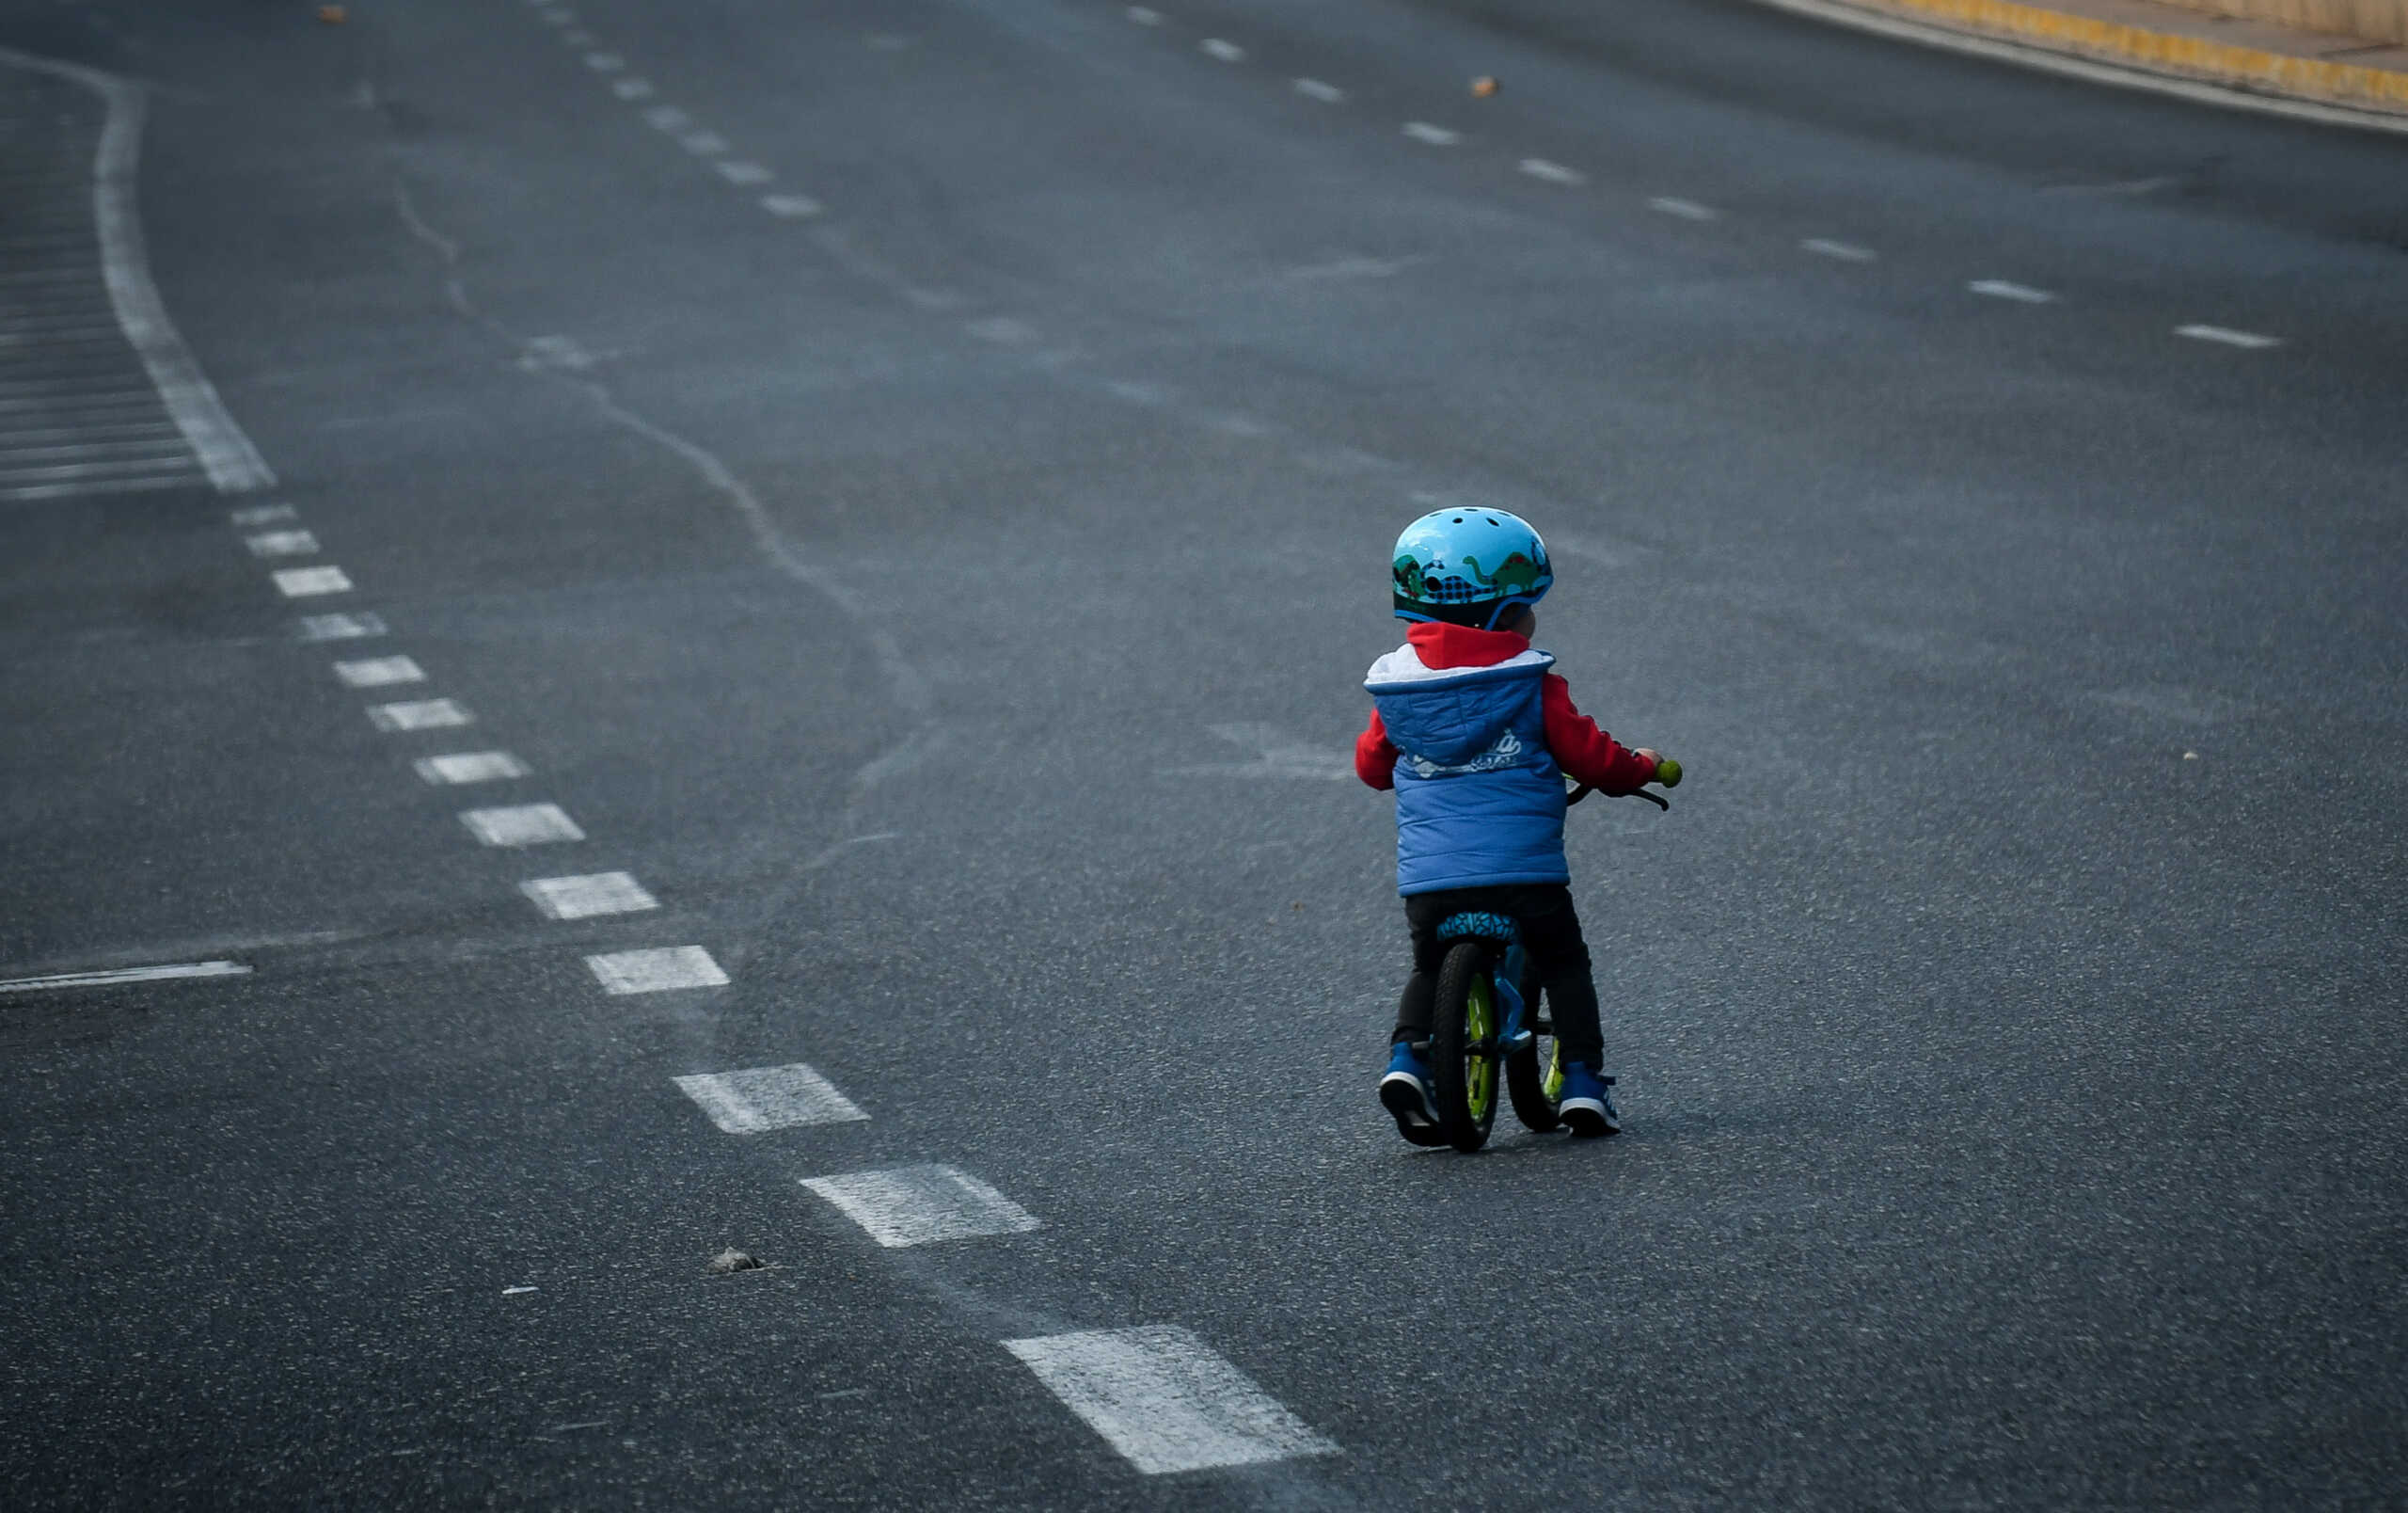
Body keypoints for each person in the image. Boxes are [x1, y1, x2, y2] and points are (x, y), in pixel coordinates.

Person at [1354, 507, 1661, 1142]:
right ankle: (1581, 1081)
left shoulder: (1401, 695)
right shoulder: (1533, 688)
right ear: (1499, 617)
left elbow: (1370, 767)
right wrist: (1642, 769)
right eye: (1527, 608)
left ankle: (1409, 1058)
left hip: (1432, 881)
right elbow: (1594, 760)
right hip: (1526, 875)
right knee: (1563, 963)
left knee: (1430, 965)